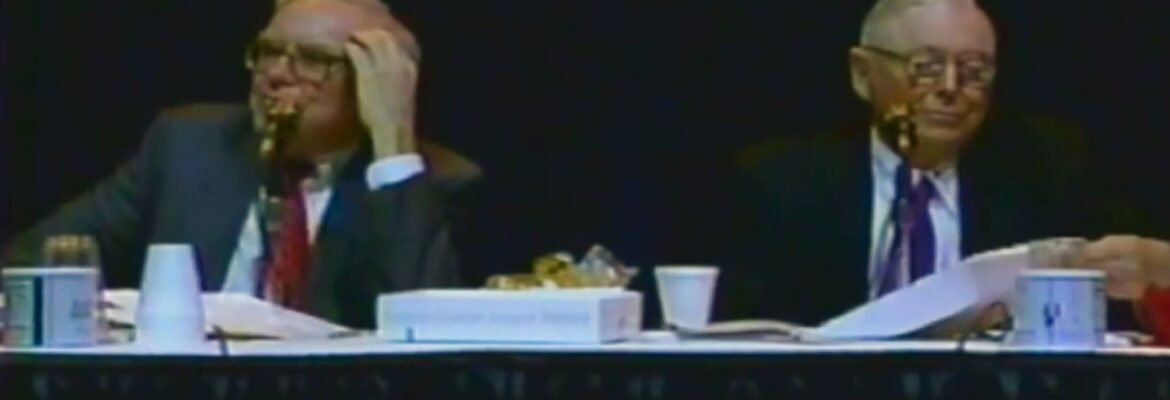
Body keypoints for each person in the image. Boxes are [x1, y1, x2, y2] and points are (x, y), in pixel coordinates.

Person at [1, 0, 481, 328]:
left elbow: (431, 333)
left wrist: (392, 140)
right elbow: (34, 259)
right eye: (267, 53)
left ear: (375, 83)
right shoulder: (188, 145)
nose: (276, 75)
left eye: (313, 60)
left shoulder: (433, 184)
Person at [722, 0, 1126, 326]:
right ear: (862, 74)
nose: (951, 88)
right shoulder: (782, 182)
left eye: (974, 71)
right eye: (926, 68)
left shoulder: (1045, 173)